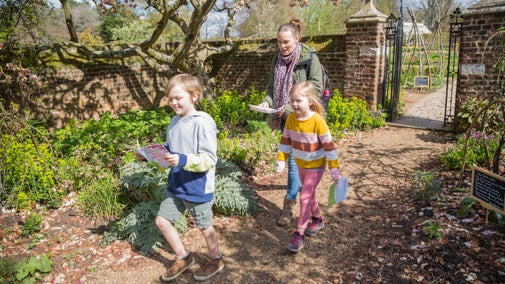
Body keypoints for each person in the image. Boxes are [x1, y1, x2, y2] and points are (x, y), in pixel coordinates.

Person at [136, 74, 224, 281]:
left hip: (197, 186)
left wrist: (182, 159)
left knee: (204, 225)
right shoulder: (174, 121)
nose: (173, 102)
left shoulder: (203, 122)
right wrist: (148, 154)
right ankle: (184, 257)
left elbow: (209, 158)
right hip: (176, 183)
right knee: (162, 221)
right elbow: (171, 150)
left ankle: (215, 259)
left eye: (178, 98)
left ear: (194, 96)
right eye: (170, 98)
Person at [258, 19, 324, 227]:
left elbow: (316, 89)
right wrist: (266, 102)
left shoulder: (309, 58)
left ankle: (289, 206)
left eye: (286, 42)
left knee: (295, 163)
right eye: (279, 42)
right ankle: (306, 200)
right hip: (286, 118)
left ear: (297, 39)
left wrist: (288, 106)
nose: (282, 46)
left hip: (304, 119)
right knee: (293, 161)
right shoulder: (276, 60)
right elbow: (271, 88)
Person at [275, 81, 341, 252]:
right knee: (309, 195)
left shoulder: (317, 121)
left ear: (310, 101)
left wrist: (333, 167)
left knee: (304, 197)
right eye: (292, 101)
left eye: (298, 100)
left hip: (316, 166)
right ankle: (317, 220)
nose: (294, 104)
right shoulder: (290, 119)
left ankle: (299, 234)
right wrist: (281, 159)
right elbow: (285, 141)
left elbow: (329, 146)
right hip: (300, 164)